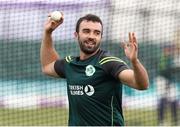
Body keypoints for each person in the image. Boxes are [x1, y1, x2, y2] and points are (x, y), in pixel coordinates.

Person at [40, 13, 149, 126]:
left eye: (97, 33)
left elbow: (142, 84)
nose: (91, 36)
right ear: (76, 35)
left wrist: (135, 61)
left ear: (101, 37)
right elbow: (47, 66)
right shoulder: (70, 64)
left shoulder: (109, 63)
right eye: (86, 31)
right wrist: (48, 33)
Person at [156, 44, 178, 126]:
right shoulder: (163, 58)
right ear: (165, 50)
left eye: (170, 49)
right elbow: (163, 70)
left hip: (171, 81)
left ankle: (175, 121)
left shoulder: (172, 58)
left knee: (174, 100)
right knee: (162, 100)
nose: (169, 51)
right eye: (168, 49)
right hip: (162, 81)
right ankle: (161, 122)